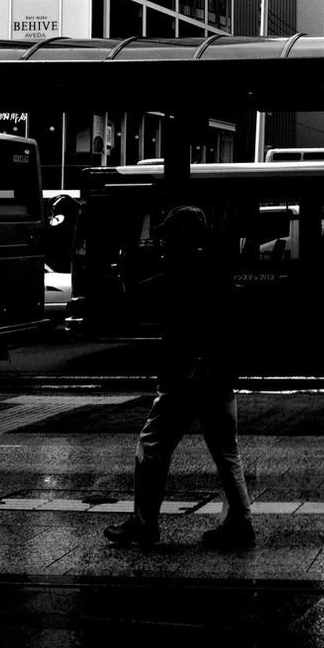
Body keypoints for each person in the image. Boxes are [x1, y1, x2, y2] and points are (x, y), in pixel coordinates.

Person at [105, 205, 254, 550]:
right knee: (226, 450)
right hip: (219, 378)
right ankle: (240, 522)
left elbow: (145, 296)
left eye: (168, 234)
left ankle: (144, 523)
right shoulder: (215, 268)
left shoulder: (181, 271)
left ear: (179, 236)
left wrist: (126, 276)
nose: (163, 240)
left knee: (152, 444)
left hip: (184, 378)